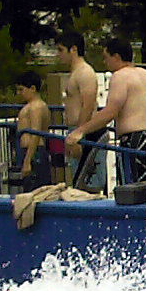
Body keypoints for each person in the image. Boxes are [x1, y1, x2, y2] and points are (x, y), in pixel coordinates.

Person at [69, 38, 146, 186]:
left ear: (116, 57)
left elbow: (110, 112)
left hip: (134, 139)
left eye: (106, 58)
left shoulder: (120, 77)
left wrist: (80, 131)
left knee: (132, 188)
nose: (105, 62)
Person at [57, 31, 101, 189]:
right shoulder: (75, 73)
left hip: (85, 131)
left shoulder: (84, 72)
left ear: (73, 49)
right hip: (77, 130)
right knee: (77, 183)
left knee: (87, 184)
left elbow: (88, 105)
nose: (58, 55)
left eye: (61, 50)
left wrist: (79, 133)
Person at [13, 70, 52, 192]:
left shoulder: (36, 107)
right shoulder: (34, 106)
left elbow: (36, 133)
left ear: (33, 88)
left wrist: (27, 160)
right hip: (32, 151)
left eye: (21, 89)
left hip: (34, 152)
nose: (19, 93)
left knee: (34, 190)